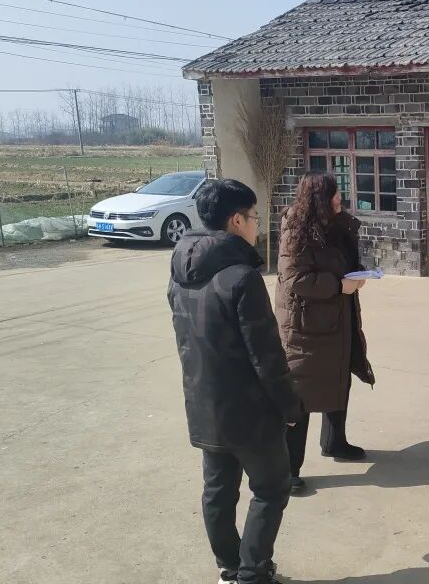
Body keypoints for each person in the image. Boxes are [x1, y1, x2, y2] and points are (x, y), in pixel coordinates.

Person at [167, 179, 298, 584]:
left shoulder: (178, 270)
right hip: (249, 411)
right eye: (255, 217)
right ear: (237, 220)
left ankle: (229, 565)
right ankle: (253, 573)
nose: (258, 225)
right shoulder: (242, 277)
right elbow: (266, 356)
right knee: (271, 488)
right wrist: (289, 405)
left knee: (219, 490)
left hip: (203, 401)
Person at [275, 172, 375, 492]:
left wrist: (355, 275)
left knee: (338, 378)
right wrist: (338, 285)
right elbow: (296, 279)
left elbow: (342, 260)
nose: (340, 199)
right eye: (334, 195)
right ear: (318, 199)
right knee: (302, 394)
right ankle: (287, 470)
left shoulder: (335, 224)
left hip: (337, 317)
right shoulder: (296, 230)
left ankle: (335, 442)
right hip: (306, 326)